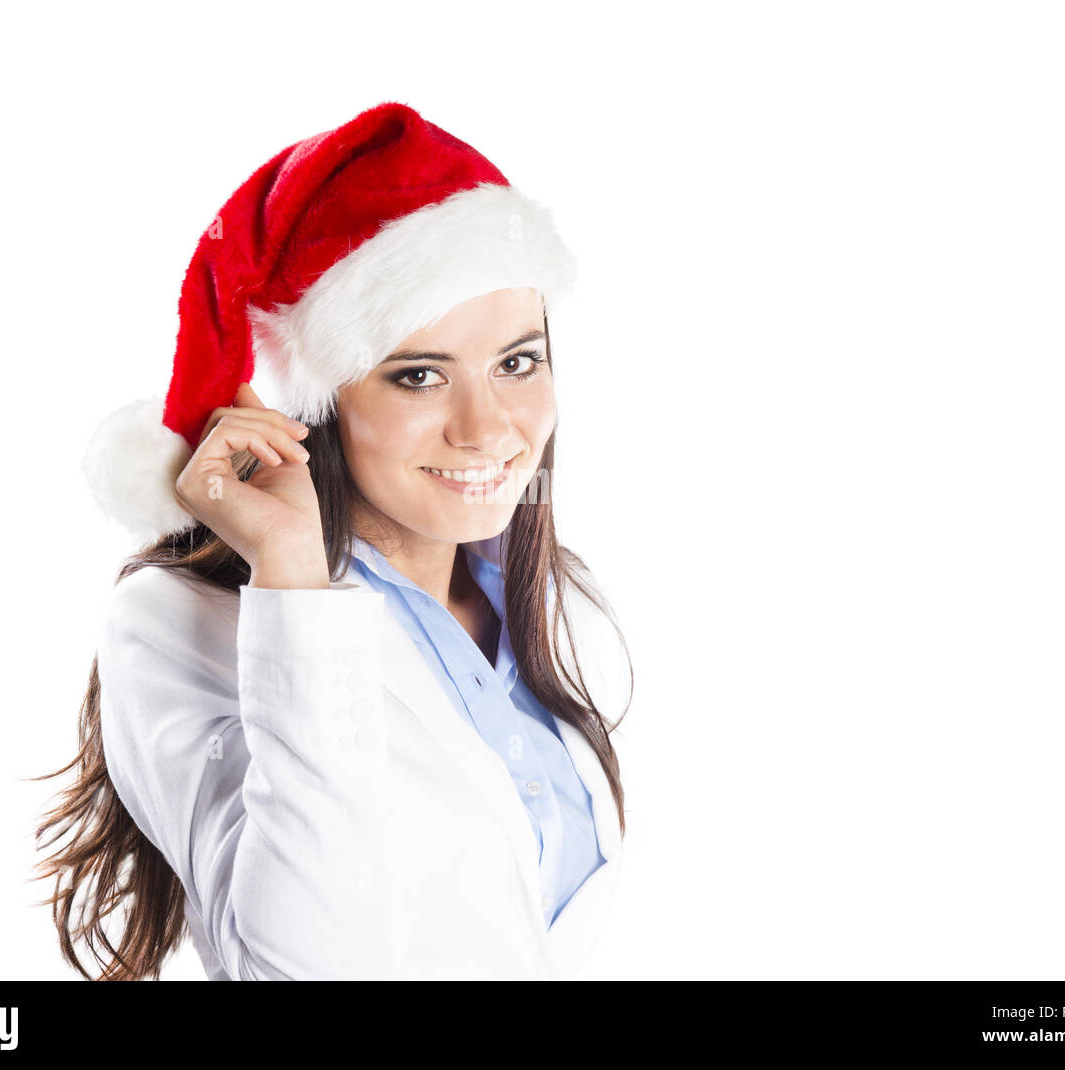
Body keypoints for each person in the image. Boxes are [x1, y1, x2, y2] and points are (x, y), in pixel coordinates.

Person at [32, 101, 633, 980]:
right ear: (313, 404)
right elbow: (303, 965)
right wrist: (291, 580)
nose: (488, 428)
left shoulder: (542, 596)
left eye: (517, 361)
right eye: (418, 376)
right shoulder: (183, 617)